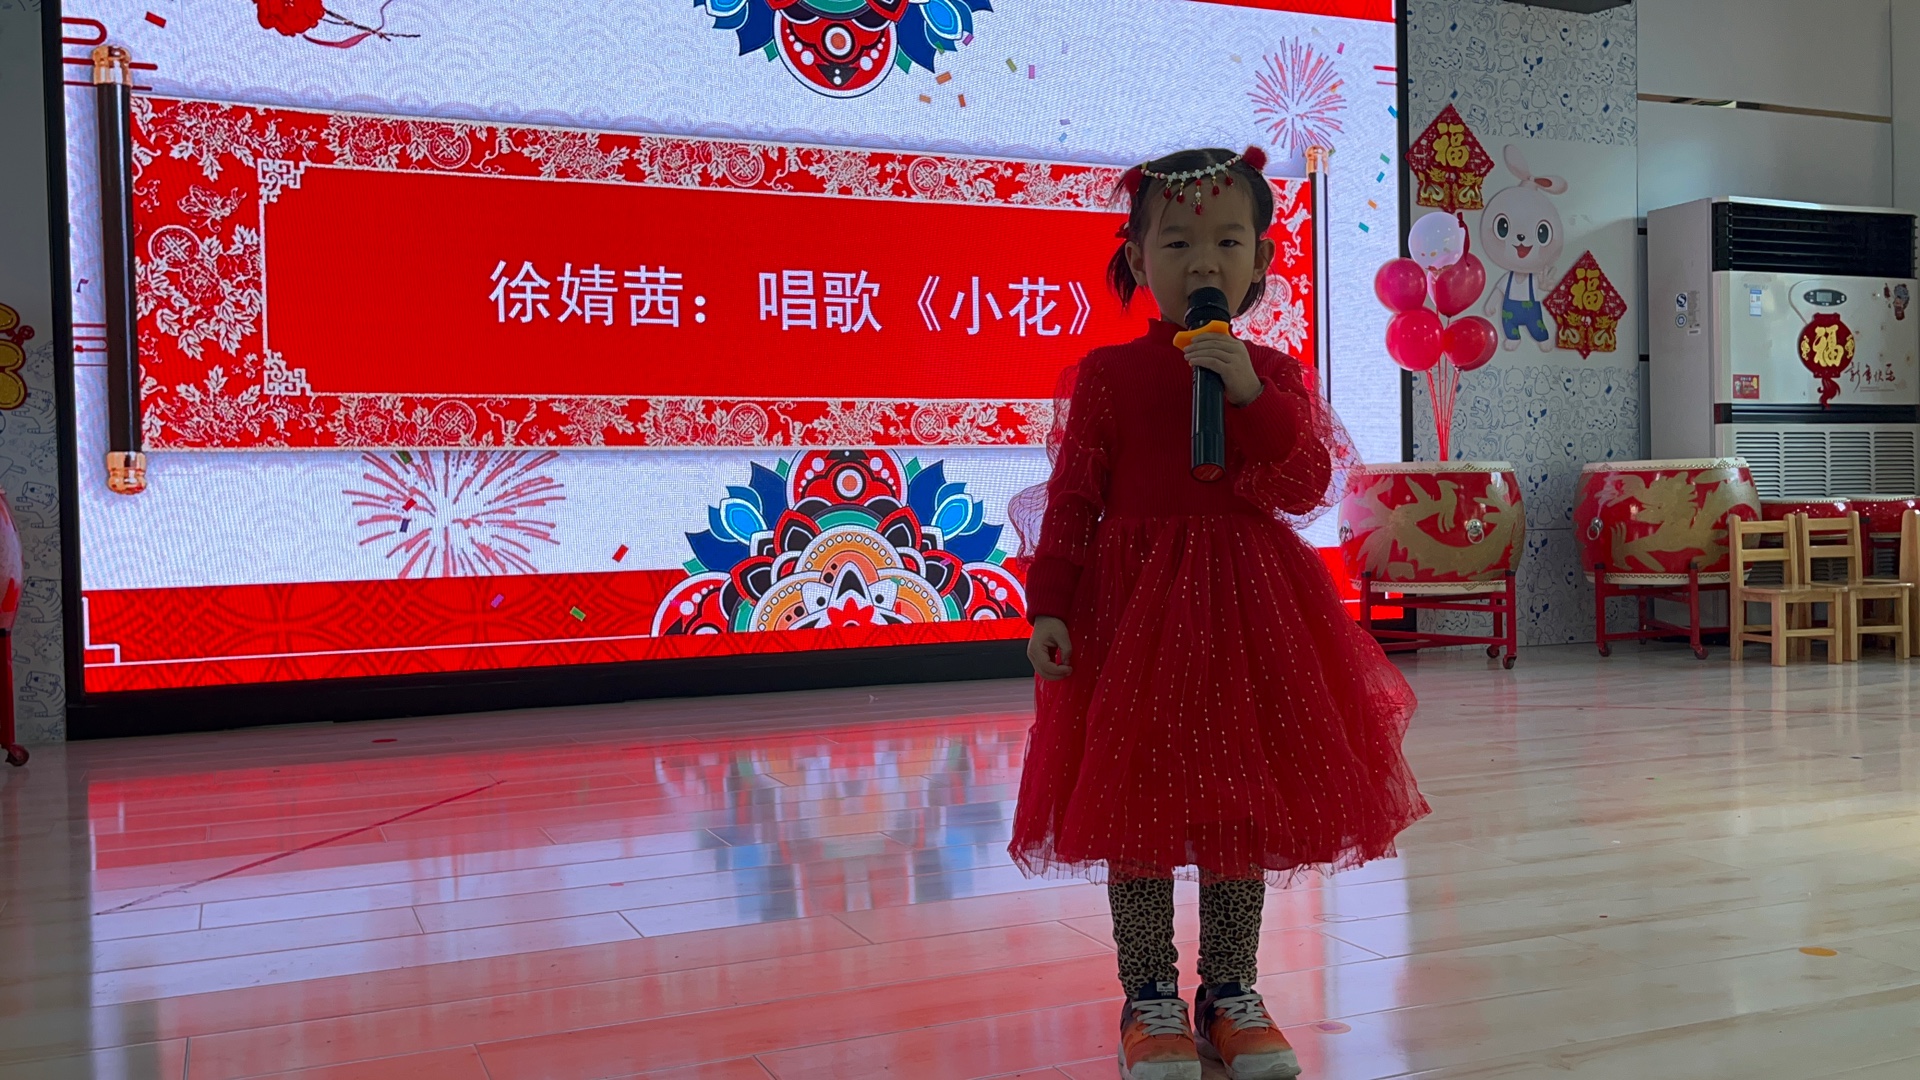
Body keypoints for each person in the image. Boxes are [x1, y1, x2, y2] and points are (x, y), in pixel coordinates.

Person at [1006, 147, 1430, 1080]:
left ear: (1262, 260)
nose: (1204, 261)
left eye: (1228, 242)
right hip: (1132, 616)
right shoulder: (1111, 375)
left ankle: (1230, 989)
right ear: (1136, 257)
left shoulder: (1270, 374)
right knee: (1135, 804)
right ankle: (1148, 994)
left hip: (1248, 613)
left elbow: (1305, 482)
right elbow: (1073, 500)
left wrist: (1245, 391)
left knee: (1243, 800)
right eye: (1178, 243)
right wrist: (1051, 606)